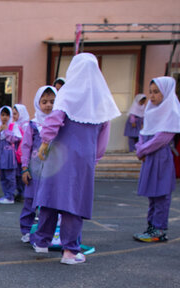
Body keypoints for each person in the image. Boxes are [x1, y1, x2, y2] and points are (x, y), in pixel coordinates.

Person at [32, 53, 118, 265]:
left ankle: (41, 241)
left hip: (59, 154)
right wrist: (94, 158)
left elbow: (54, 120)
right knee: (73, 202)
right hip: (82, 159)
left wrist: (44, 142)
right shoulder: (102, 99)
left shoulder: (67, 93)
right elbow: (103, 136)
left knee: (50, 198)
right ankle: (70, 251)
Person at [132, 76, 180, 243]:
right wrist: (139, 148)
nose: (152, 96)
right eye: (151, 92)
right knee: (152, 195)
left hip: (161, 159)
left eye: (157, 92)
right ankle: (151, 226)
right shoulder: (151, 110)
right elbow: (144, 132)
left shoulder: (172, 112)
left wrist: (142, 150)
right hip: (150, 158)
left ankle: (159, 229)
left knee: (161, 194)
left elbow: (162, 138)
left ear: (166, 92)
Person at [18, 85, 56, 243]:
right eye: (44, 101)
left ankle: (46, 232)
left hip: (52, 170)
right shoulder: (32, 125)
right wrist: (25, 168)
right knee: (30, 202)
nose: (48, 105)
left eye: (52, 102)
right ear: (37, 103)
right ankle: (26, 230)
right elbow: (25, 147)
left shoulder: (58, 123)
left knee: (49, 203)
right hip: (34, 169)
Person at [0, 105, 21, 205]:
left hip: (10, 155)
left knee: (10, 176)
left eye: (7, 115)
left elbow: (16, 138)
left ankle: (10, 196)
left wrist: (6, 131)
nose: (4, 117)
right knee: (3, 176)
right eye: (2, 115)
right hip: (2, 154)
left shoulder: (13, 126)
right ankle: (6, 194)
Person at [12, 103, 29, 200]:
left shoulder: (26, 125)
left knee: (22, 173)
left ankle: (23, 193)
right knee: (17, 174)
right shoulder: (15, 124)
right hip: (16, 153)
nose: (13, 116)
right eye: (13, 114)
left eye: (15, 114)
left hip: (22, 152)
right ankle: (19, 191)